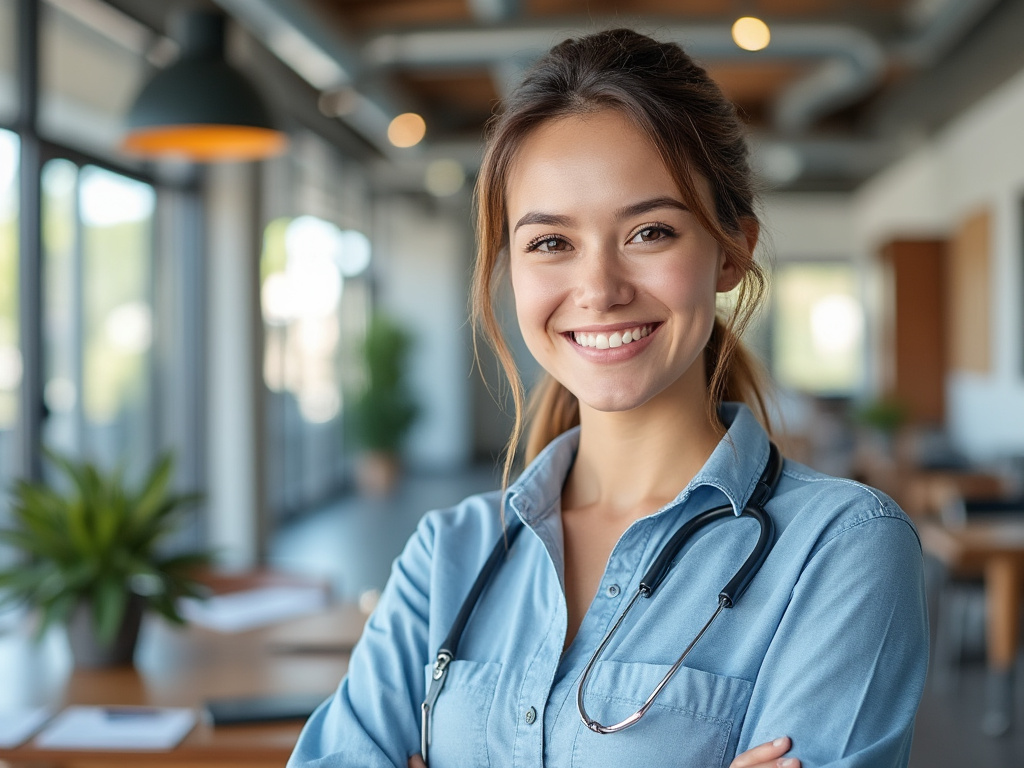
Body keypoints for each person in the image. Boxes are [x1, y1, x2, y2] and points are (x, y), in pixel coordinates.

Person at [288, 28, 928, 768]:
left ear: (731, 250)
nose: (599, 290)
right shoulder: (447, 557)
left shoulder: (841, 549)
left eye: (649, 231)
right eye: (551, 243)